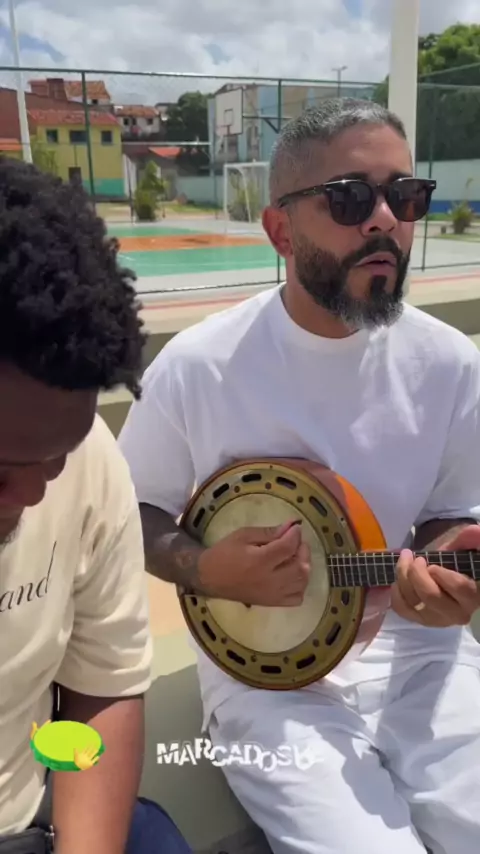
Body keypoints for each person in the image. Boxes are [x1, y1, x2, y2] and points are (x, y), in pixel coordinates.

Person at [117, 99, 480, 854]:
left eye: (406, 195)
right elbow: (132, 510)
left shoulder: (451, 364)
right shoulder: (200, 365)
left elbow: (452, 513)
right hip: (265, 681)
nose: (386, 219)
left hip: (420, 656)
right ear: (281, 230)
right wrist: (204, 568)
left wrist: (443, 572)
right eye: (351, 198)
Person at [0, 157, 192, 854]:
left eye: (57, 460)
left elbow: (99, 690)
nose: (34, 495)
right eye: (1, 473)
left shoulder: (91, 460)